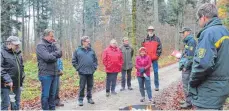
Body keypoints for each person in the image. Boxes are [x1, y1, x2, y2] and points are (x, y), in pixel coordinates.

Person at [189, 3, 229, 110]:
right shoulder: (225, 31)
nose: (199, 22)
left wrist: (192, 82)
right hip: (222, 88)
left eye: (198, 19)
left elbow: (203, 64)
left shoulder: (208, 33)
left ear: (203, 17)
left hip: (209, 89)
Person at [36, 29, 62, 110]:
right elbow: (47, 57)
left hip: (54, 73)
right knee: (46, 95)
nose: (53, 38)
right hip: (45, 74)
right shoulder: (40, 45)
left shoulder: (53, 44)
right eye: (51, 36)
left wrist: (53, 53)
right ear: (46, 36)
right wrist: (55, 55)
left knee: (52, 95)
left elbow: (60, 53)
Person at [72, 36, 98, 106]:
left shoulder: (92, 50)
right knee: (82, 86)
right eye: (87, 41)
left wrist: (94, 68)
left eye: (89, 41)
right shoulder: (77, 50)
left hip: (90, 71)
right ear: (83, 42)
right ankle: (80, 99)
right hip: (82, 72)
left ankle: (89, 98)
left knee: (90, 86)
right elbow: (74, 61)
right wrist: (78, 68)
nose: (89, 42)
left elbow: (95, 60)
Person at [1, 36, 25, 110]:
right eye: (16, 45)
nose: (18, 46)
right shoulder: (2, 52)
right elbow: (0, 68)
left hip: (17, 84)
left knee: (16, 103)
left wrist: (22, 77)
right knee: (5, 104)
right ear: (9, 44)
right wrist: (8, 80)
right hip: (6, 84)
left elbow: (21, 67)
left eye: (18, 44)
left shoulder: (18, 53)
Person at [178, 27, 196, 109]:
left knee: (187, 85)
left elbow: (191, 57)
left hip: (188, 67)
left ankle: (189, 103)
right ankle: (187, 100)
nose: (182, 34)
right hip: (186, 66)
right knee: (186, 84)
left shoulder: (191, 41)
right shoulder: (188, 41)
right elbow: (186, 54)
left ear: (188, 32)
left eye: (183, 32)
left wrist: (186, 66)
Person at [142, 26, 162, 91]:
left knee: (156, 72)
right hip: (147, 59)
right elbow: (142, 49)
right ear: (147, 31)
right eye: (149, 30)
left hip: (154, 59)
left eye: (151, 30)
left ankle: (157, 86)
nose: (150, 31)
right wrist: (143, 57)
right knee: (146, 72)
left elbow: (160, 48)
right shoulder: (145, 39)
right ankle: (147, 85)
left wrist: (157, 55)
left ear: (153, 31)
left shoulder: (157, 39)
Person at [53, 41, 64, 107]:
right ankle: (51, 102)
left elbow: (60, 62)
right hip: (52, 72)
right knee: (52, 89)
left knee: (57, 88)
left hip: (58, 74)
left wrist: (61, 69)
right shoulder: (51, 53)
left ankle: (57, 101)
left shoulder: (58, 53)